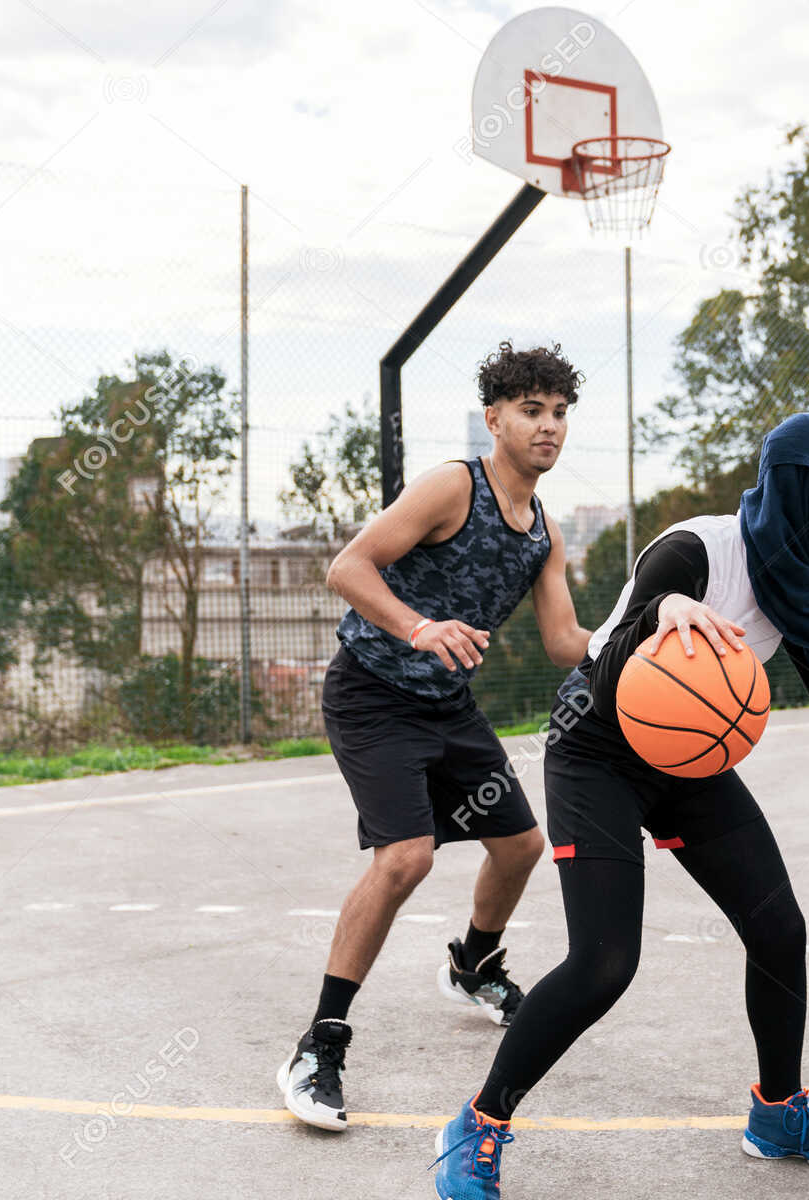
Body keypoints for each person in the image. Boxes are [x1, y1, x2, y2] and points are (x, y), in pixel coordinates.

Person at [432, 412, 809, 1198]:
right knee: (605, 962)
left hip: (687, 761)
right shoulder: (696, 551)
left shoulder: (802, 573)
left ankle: (777, 1113)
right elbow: (603, 676)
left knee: (778, 927)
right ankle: (479, 1124)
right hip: (597, 748)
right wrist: (658, 618)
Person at [278, 343, 593, 1131]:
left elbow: (565, 643)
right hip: (372, 694)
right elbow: (349, 567)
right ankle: (318, 1045)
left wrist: (650, 628)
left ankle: (473, 967)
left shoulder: (543, 533)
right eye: (531, 410)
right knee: (406, 858)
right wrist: (419, 627)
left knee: (522, 846)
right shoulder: (455, 486)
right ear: (495, 419)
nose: (548, 426)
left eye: (558, 412)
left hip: (446, 705)